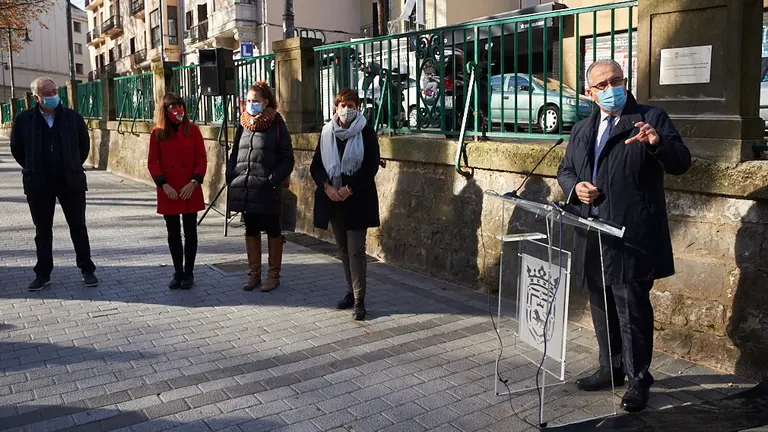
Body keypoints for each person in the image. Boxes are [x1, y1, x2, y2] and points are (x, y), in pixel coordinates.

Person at [557, 59, 691, 412]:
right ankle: (611, 368)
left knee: (631, 309)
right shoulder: (583, 128)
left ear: (626, 82)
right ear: (589, 93)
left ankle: (637, 378)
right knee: (601, 305)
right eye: (601, 84)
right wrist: (575, 188)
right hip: (591, 230)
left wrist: (656, 142)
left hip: (630, 234)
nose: (610, 89)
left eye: (616, 80)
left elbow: (680, 162)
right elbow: (566, 169)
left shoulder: (649, 118)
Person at [10, 77, 98, 291]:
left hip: (70, 180)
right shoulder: (24, 121)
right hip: (39, 183)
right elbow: (18, 150)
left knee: (78, 227)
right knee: (43, 230)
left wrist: (71, 164)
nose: (53, 96)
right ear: (37, 97)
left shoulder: (73, 118)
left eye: (54, 91)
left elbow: (83, 147)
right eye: (47, 93)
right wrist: (33, 167)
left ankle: (87, 269)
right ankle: (43, 273)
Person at [310, 88, 380, 321]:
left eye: (351, 105)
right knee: (342, 249)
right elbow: (316, 166)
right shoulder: (327, 132)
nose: (347, 110)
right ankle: (350, 291)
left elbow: (370, 166)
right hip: (334, 200)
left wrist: (349, 188)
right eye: (343, 105)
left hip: (356, 199)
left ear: (358, 107)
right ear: (335, 107)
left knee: (356, 250)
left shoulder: (366, 133)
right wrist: (327, 187)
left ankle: (360, 300)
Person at [227, 81, 294, 292]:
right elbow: (235, 152)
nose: (250, 104)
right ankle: (254, 274)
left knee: (273, 230)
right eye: (247, 101)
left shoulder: (276, 123)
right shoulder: (243, 123)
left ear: (265, 102)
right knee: (251, 228)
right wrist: (231, 174)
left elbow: (287, 159)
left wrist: (272, 180)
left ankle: (273, 276)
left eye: (254, 101)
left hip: (267, 188)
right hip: (245, 187)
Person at [148, 93, 207, 289]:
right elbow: (152, 162)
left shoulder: (193, 131)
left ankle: (189, 272)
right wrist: (163, 185)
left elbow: (201, 159)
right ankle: (178, 272)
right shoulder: (157, 133)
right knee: (173, 233)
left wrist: (194, 182)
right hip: (169, 190)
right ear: (165, 111)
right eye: (172, 107)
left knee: (191, 232)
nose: (177, 110)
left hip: (189, 187)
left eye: (179, 106)